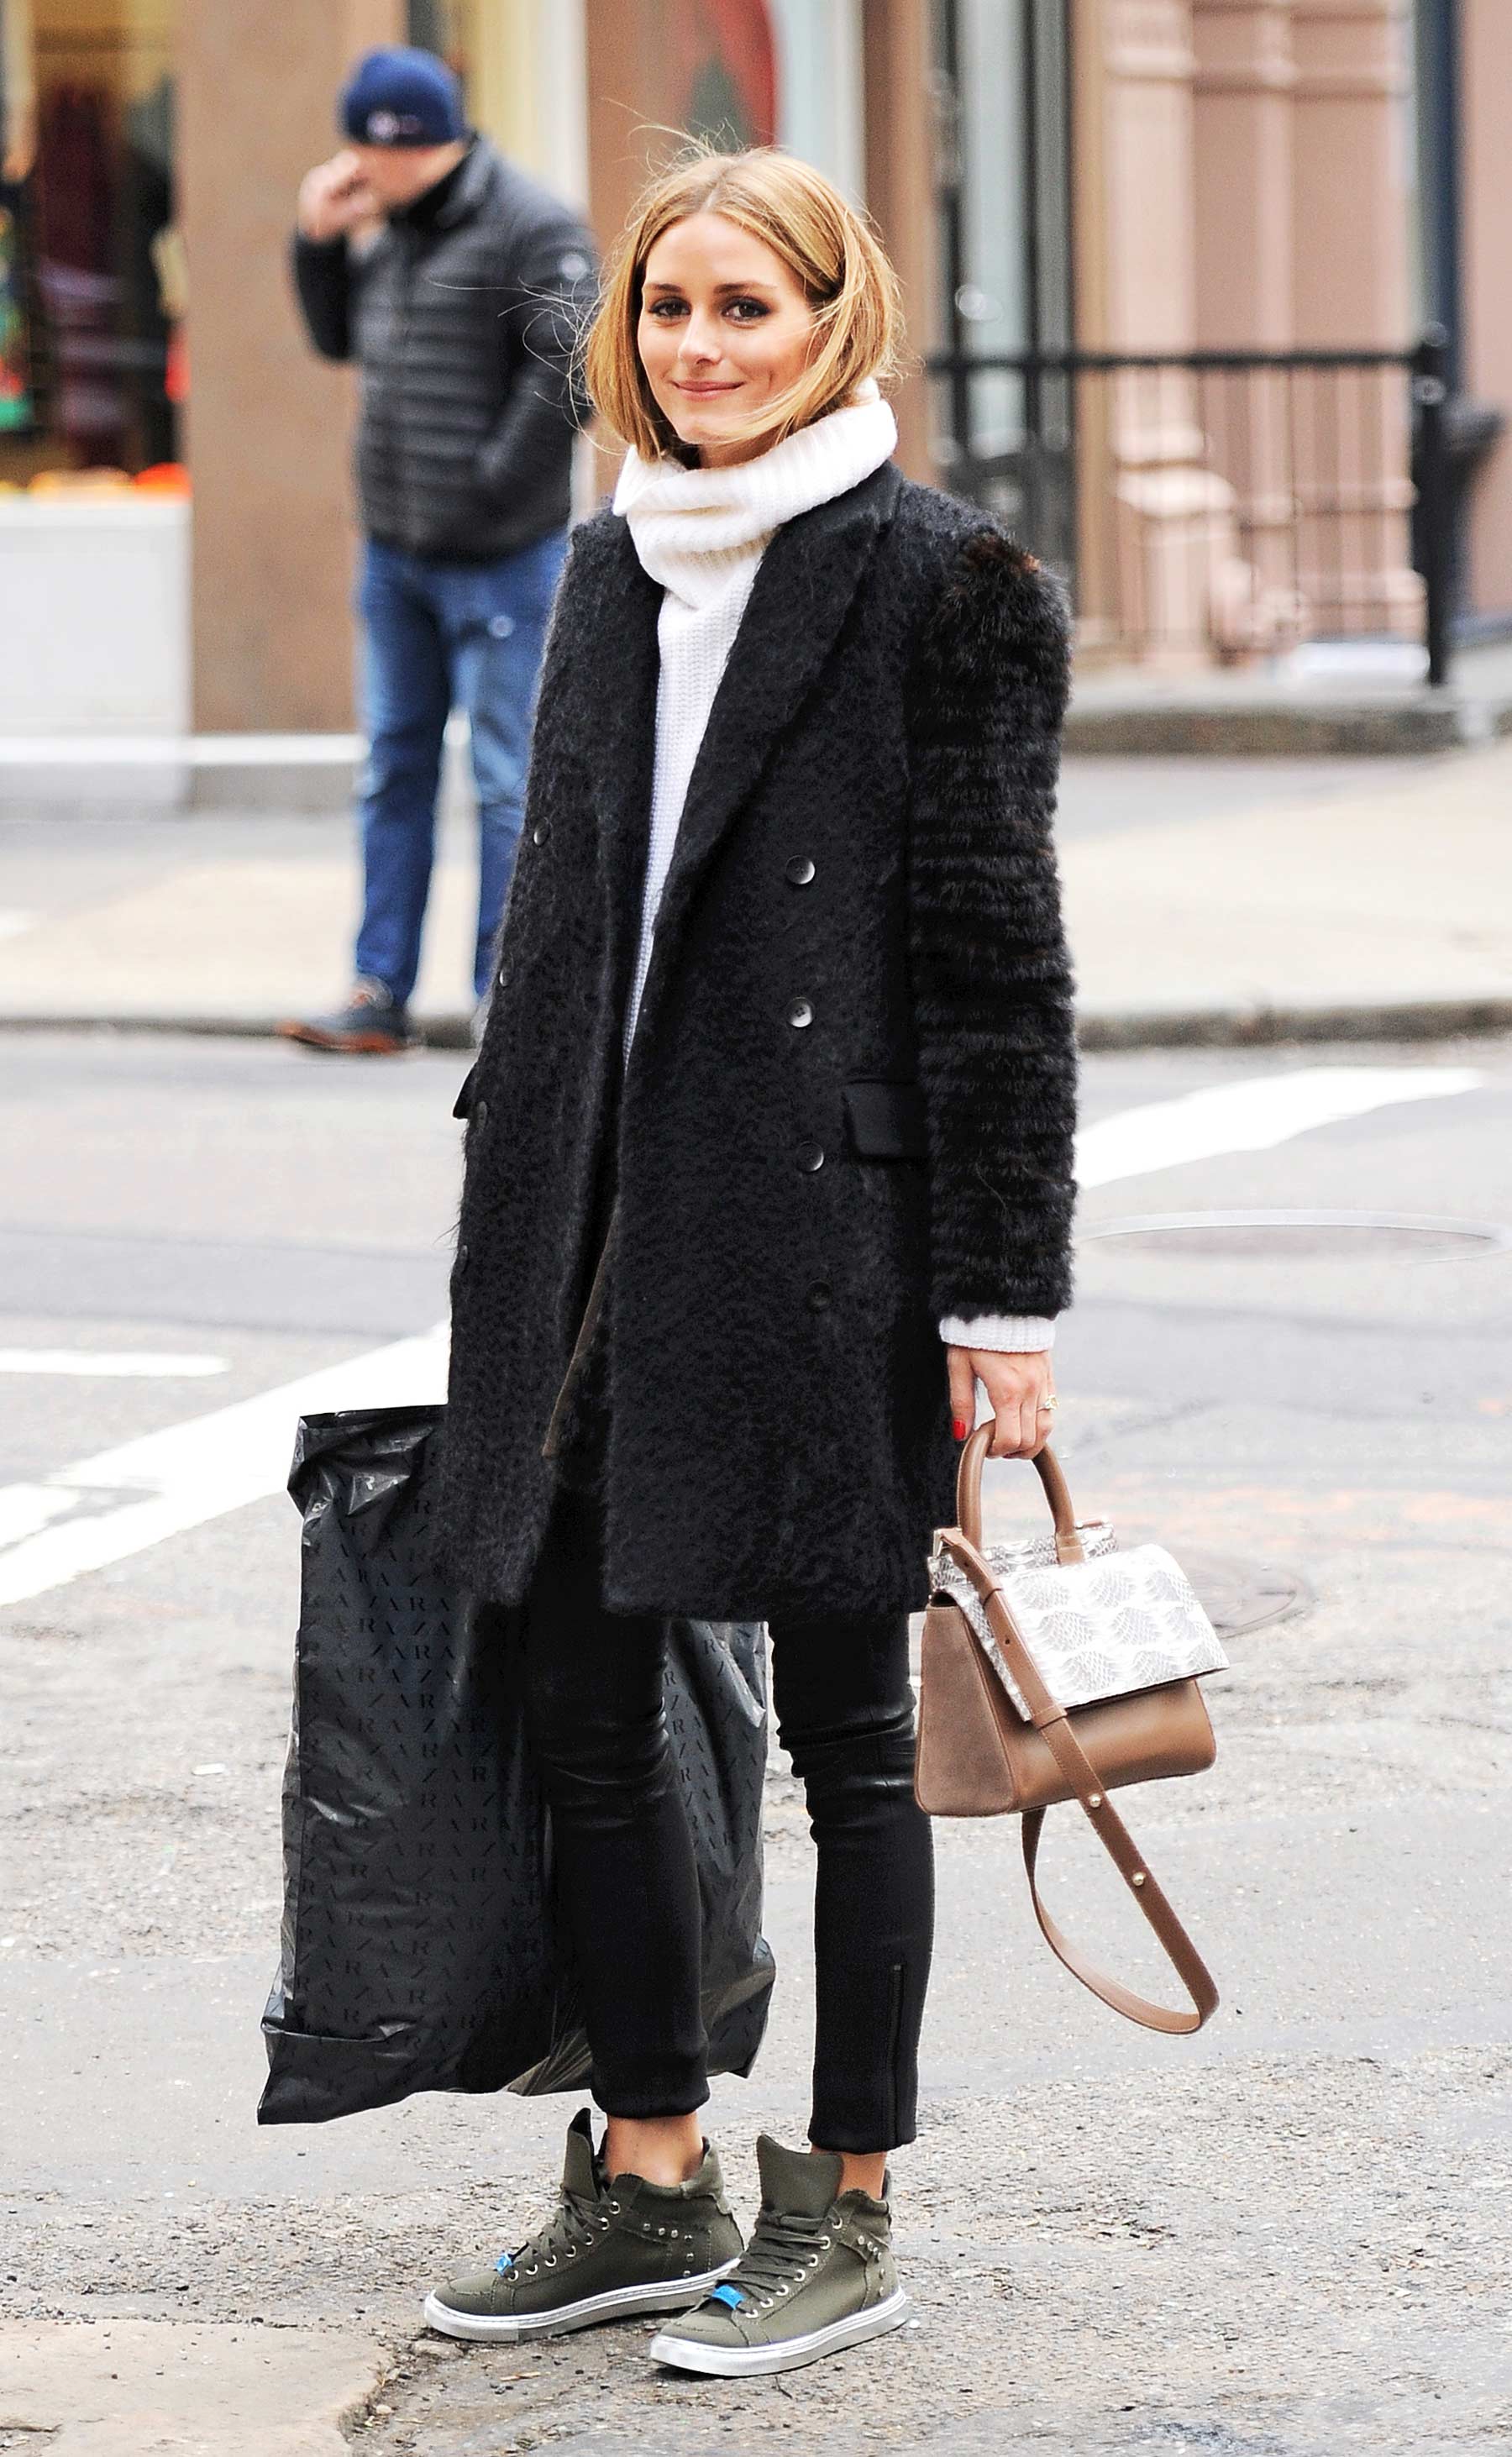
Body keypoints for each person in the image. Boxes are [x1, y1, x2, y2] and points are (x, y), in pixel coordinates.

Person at [427, 148, 1076, 2377]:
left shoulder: (944, 581)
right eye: (670, 307)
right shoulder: (607, 563)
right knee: (588, 1711)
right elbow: (555, 904)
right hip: (587, 1224)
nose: (702, 347)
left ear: (835, 318)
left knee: (853, 1743)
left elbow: (1002, 966)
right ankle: (648, 2166)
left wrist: (1004, 1304)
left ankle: (852, 2205)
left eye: (747, 307)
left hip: (824, 1235)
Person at [280, 46, 596, 1054]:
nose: (364, 173)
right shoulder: (392, 233)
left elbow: (575, 370)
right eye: (356, 154)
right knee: (393, 771)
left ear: (429, 144)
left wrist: (492, 484)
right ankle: (380, 992)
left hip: (501, 551)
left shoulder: (530, 224)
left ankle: (506, 1001)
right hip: (397, 553)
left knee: (506, 777)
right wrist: (317, 244)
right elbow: (339, 342)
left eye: (382, 156)